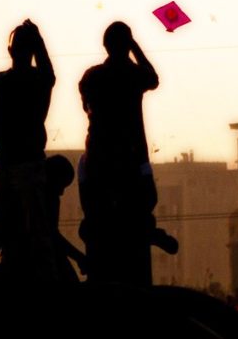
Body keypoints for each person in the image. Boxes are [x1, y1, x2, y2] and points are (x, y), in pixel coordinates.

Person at [78, 22, 172, 286]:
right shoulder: (132, 75)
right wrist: (135, 49)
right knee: (144, 204)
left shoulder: (91, 77)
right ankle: (145, 231)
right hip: (131, 159)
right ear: (126, 46)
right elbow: (152, 78)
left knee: (97, 213)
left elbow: (86, 105)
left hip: (98, 159)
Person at [0, 19, 57, 281]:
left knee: (33, 231)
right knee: (14, 230)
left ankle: (40, 281)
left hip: (21, 163)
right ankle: (20, 277)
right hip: (8, 163)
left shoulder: (33, 80)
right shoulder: (9, 81)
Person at [44, 155, 88, 283]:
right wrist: (79, 257)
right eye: (61, 185)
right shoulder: (49, 199)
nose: (61, 193)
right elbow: (52, 236)